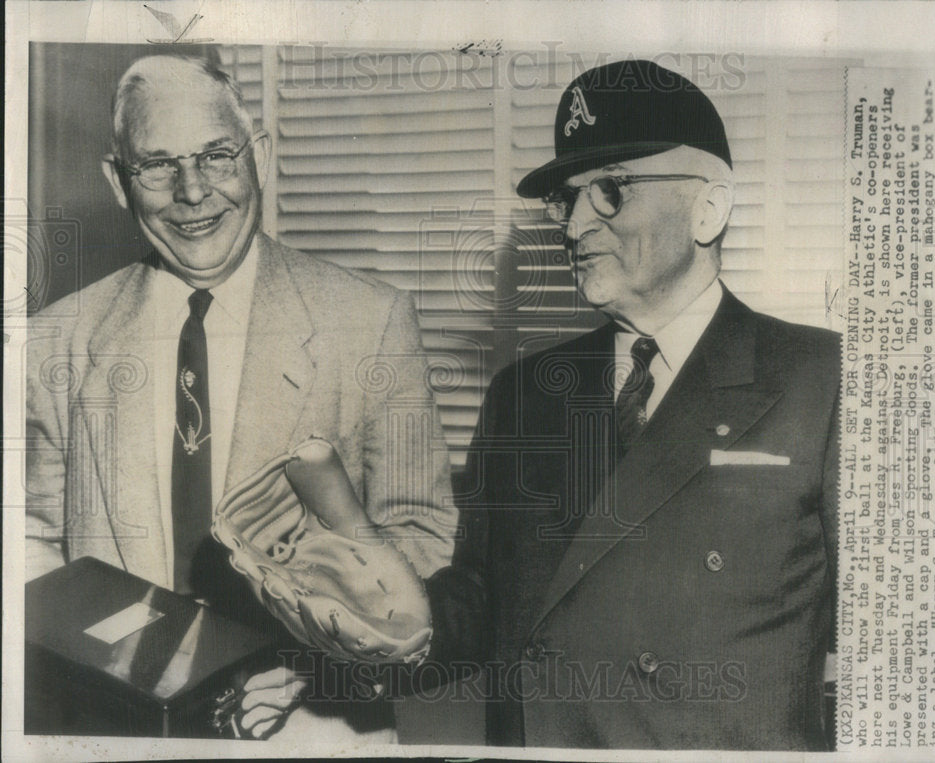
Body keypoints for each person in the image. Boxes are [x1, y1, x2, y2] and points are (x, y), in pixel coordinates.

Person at [25, 54, 456, 740]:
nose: (193, 192)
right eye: (158, 164)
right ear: (117, 181)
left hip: (310, 727)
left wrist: (322, 659)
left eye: (216, 155)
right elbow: (33, 548)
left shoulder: (371, 320)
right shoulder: (56, 342)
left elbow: (424, 540)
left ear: (260, 154)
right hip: (115, 729)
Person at [426, 59, 839, 750]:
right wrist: (388, 619)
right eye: (567, 198)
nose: (574, 225)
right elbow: (479, 605)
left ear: (708, 209)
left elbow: (897, 645)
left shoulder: (823, 380)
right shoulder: (523, 395)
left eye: (611, 190)